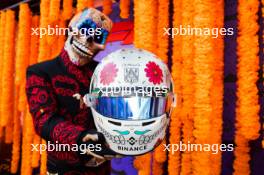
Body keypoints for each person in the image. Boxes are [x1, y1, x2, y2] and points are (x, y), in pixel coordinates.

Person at [26, 8, 116, 175]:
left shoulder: (105, 71)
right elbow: (43, 121)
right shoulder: (40, 72)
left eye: (97, 38)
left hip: (101, 167)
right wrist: (80, 137)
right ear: (71, 29)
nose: (88, 40)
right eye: (84, 31)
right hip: (63, 168)